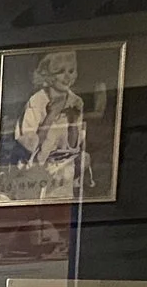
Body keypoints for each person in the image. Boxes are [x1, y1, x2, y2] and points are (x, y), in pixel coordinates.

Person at [10, 47, 92, 198]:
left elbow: (74, 146)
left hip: (61, 165)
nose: (67, 77)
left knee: (83, 159)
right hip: (34, 165)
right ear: (48, 74)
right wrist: (51, 115)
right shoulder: (36, 101)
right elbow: (28, 145)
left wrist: (73, 122)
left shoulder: (76, 101)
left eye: (71, 71)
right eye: (61, 71)